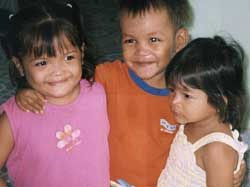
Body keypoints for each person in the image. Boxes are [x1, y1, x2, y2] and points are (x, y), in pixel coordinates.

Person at [13, 0, 246, 186]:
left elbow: (215, 129)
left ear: (180, 40)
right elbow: (61, 80)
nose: (141, 51)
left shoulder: (188, 98)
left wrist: (231, 168)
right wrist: (27, 89)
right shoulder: (106, 76)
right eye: (130, 40)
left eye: (153, 39)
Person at [0, 1, 110, 187]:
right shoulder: (15, 116)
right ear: (19, 65)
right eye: (42, 63)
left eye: (68, 57)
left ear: (81, 53)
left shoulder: (99, 92)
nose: (58, 71)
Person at [157, 36, 248, 187]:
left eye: (186, 95)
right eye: (173, 90)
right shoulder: (191, 120)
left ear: (219, 101)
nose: (174, 101)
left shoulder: (217, 150)